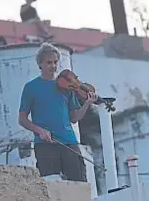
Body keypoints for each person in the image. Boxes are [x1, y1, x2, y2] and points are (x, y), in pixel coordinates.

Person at [18, 43, 97, 181]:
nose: (53, 66)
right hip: (45, 145)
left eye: (55, 62)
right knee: (50, 186)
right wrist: (39, 130)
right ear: (40, 64)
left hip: (69, 141)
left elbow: (74, 118)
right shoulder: (31, 87)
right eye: (49, 62)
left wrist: (87, 103)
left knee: (79, 184)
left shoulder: (67, 86)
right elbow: (22, 119)